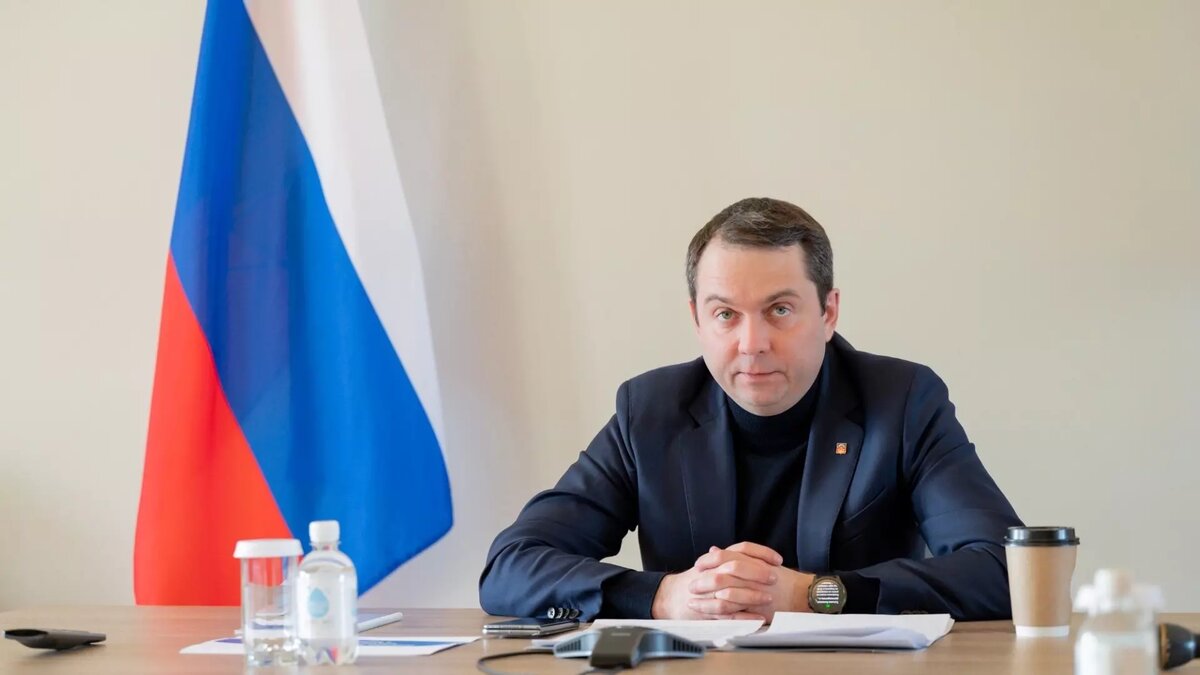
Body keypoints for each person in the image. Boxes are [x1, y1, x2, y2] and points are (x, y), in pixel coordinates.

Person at [479, 197, 1022, 622]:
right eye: (726, 315)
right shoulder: (650, 411)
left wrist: (813, 594)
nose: (752, 343)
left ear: (828, 312)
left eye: (779, 310)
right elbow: (511, 564)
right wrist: (666, 596)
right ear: (697, 319)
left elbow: (1006, 568)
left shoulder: (901, 401)